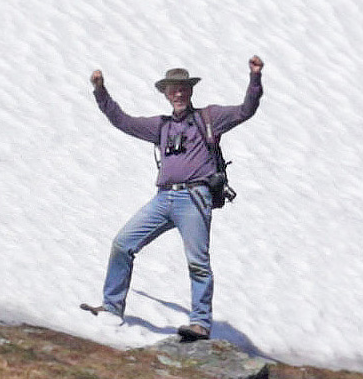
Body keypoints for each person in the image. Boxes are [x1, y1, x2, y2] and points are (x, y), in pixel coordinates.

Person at [84, 56, 264, 341]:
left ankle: (200, 324)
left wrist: (255, 77)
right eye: (172, 89)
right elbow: (122, 121)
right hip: (164, 197)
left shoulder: (210, 118)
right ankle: (111, 306)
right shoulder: (161, 125)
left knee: (198, 262)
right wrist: (100, 91)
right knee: (122, 244)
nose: (178, 93)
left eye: (182, 88)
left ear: (190, 91)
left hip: (195, 197)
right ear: (166, 94)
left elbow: (246, 110)